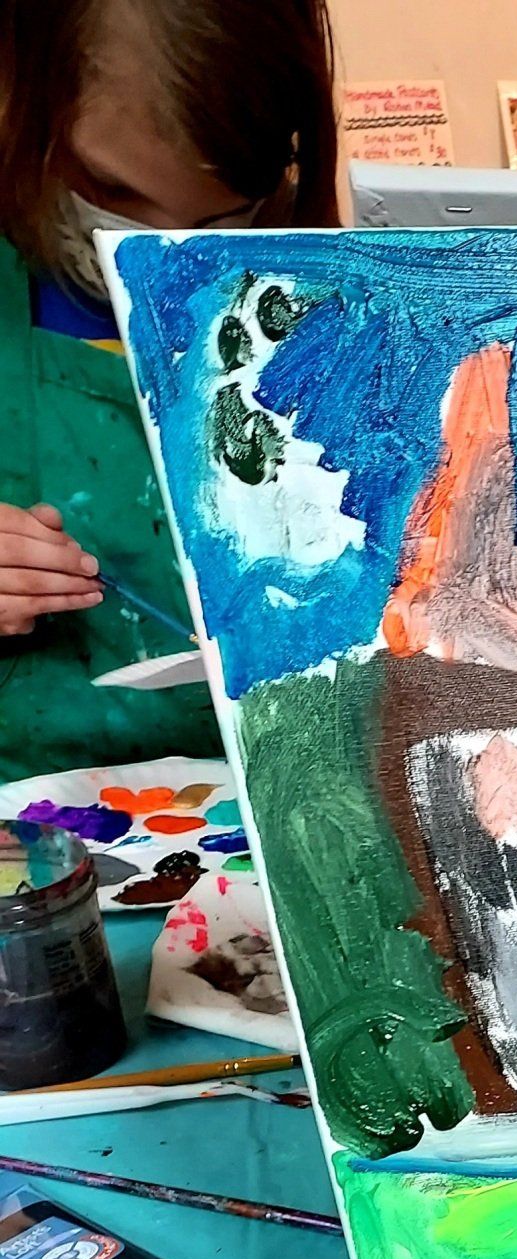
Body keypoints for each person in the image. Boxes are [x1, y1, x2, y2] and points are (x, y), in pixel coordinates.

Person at [0, 0, 335, 768]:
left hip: (256, 832)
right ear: (23, 104)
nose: (153, 256)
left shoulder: (307, 285)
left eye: (215, 219)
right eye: (113, 194)